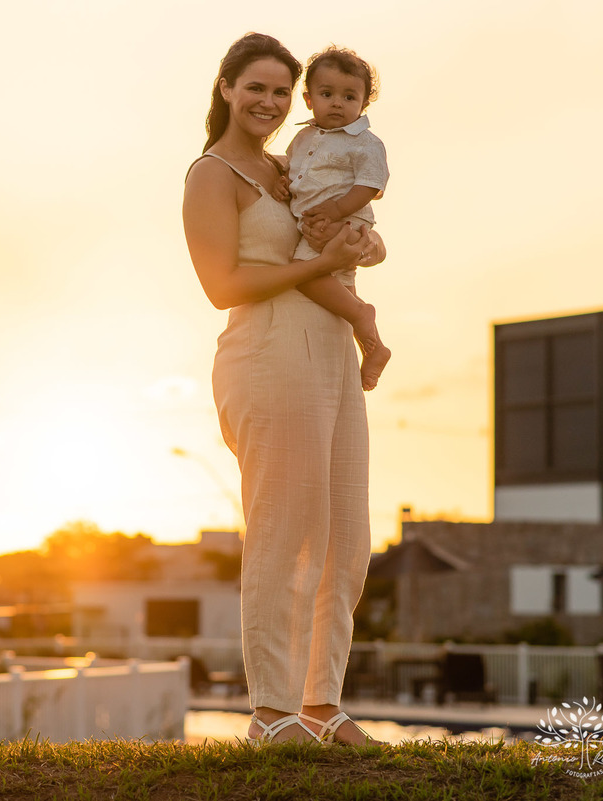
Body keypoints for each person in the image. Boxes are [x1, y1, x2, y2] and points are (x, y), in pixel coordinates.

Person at [182, 32, 384, 746]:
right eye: (255, 87)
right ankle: (272, 712)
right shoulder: (212, 174)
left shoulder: (291, 164)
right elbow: (221, 286)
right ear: (227, 88)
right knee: (287, 531)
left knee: (346, 538)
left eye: (278, 90)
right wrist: (321, 263)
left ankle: (321, 704)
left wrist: (358, 255)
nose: (267, 102)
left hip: (330, 353)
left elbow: (344, 238)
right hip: (268, 353)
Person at [278, 46, 390, 391]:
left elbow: (371, 184)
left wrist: (337, 211)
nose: (338, 103)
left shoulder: (365, 143)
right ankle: (373, 348)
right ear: (309, 99)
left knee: (305, 274)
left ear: (364, 104)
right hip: (316, 223)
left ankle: (361, 315)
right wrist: (284, 183)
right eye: (327, 95)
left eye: (349, 96)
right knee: (341, 285)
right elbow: (294, 171)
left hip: (345, 222)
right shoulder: (302, 137)